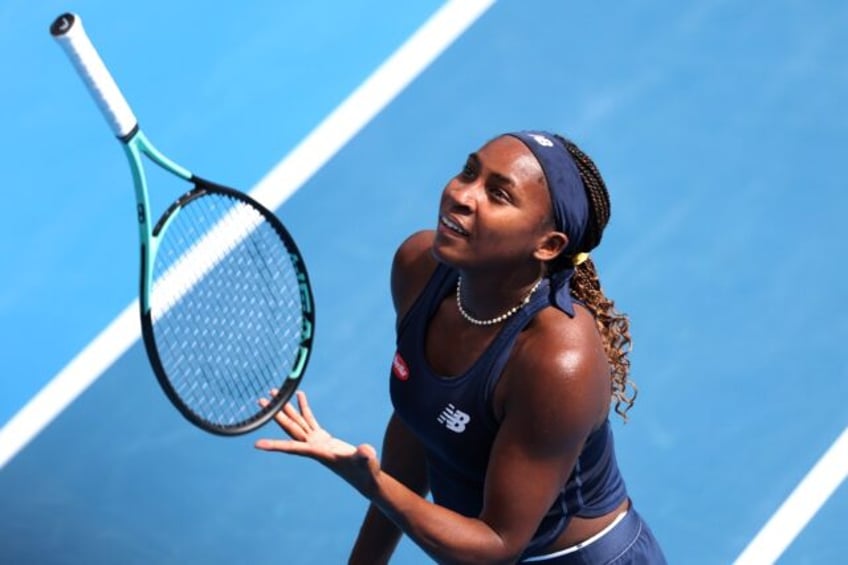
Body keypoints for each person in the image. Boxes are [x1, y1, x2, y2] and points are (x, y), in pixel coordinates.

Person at [255, 131, 667, 564]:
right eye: (469, 172)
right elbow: (419, 427)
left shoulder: (557, 360)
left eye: (499, 194)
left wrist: (373, 485)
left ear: (547, 245)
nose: (461, 195)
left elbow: (496, 544)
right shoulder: (418, 268)